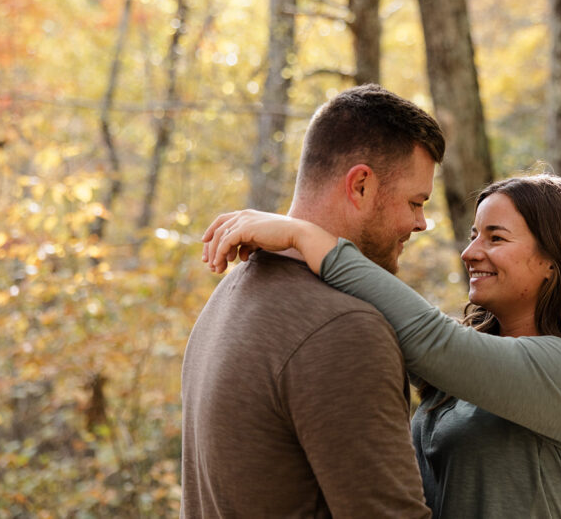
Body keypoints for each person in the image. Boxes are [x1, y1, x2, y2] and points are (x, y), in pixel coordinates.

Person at [202, 174, 561, 518]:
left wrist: (307, 237)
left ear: (554, 261)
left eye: (495, 237)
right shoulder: (464, 372)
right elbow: (393, 331)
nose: (470, 252)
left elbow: (429, 339)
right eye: (474, 234)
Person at [180, 84, 444, 517]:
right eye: (415, 202)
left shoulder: (231, 293)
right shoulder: (344, 330)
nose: (420, 223)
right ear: (360, 185)